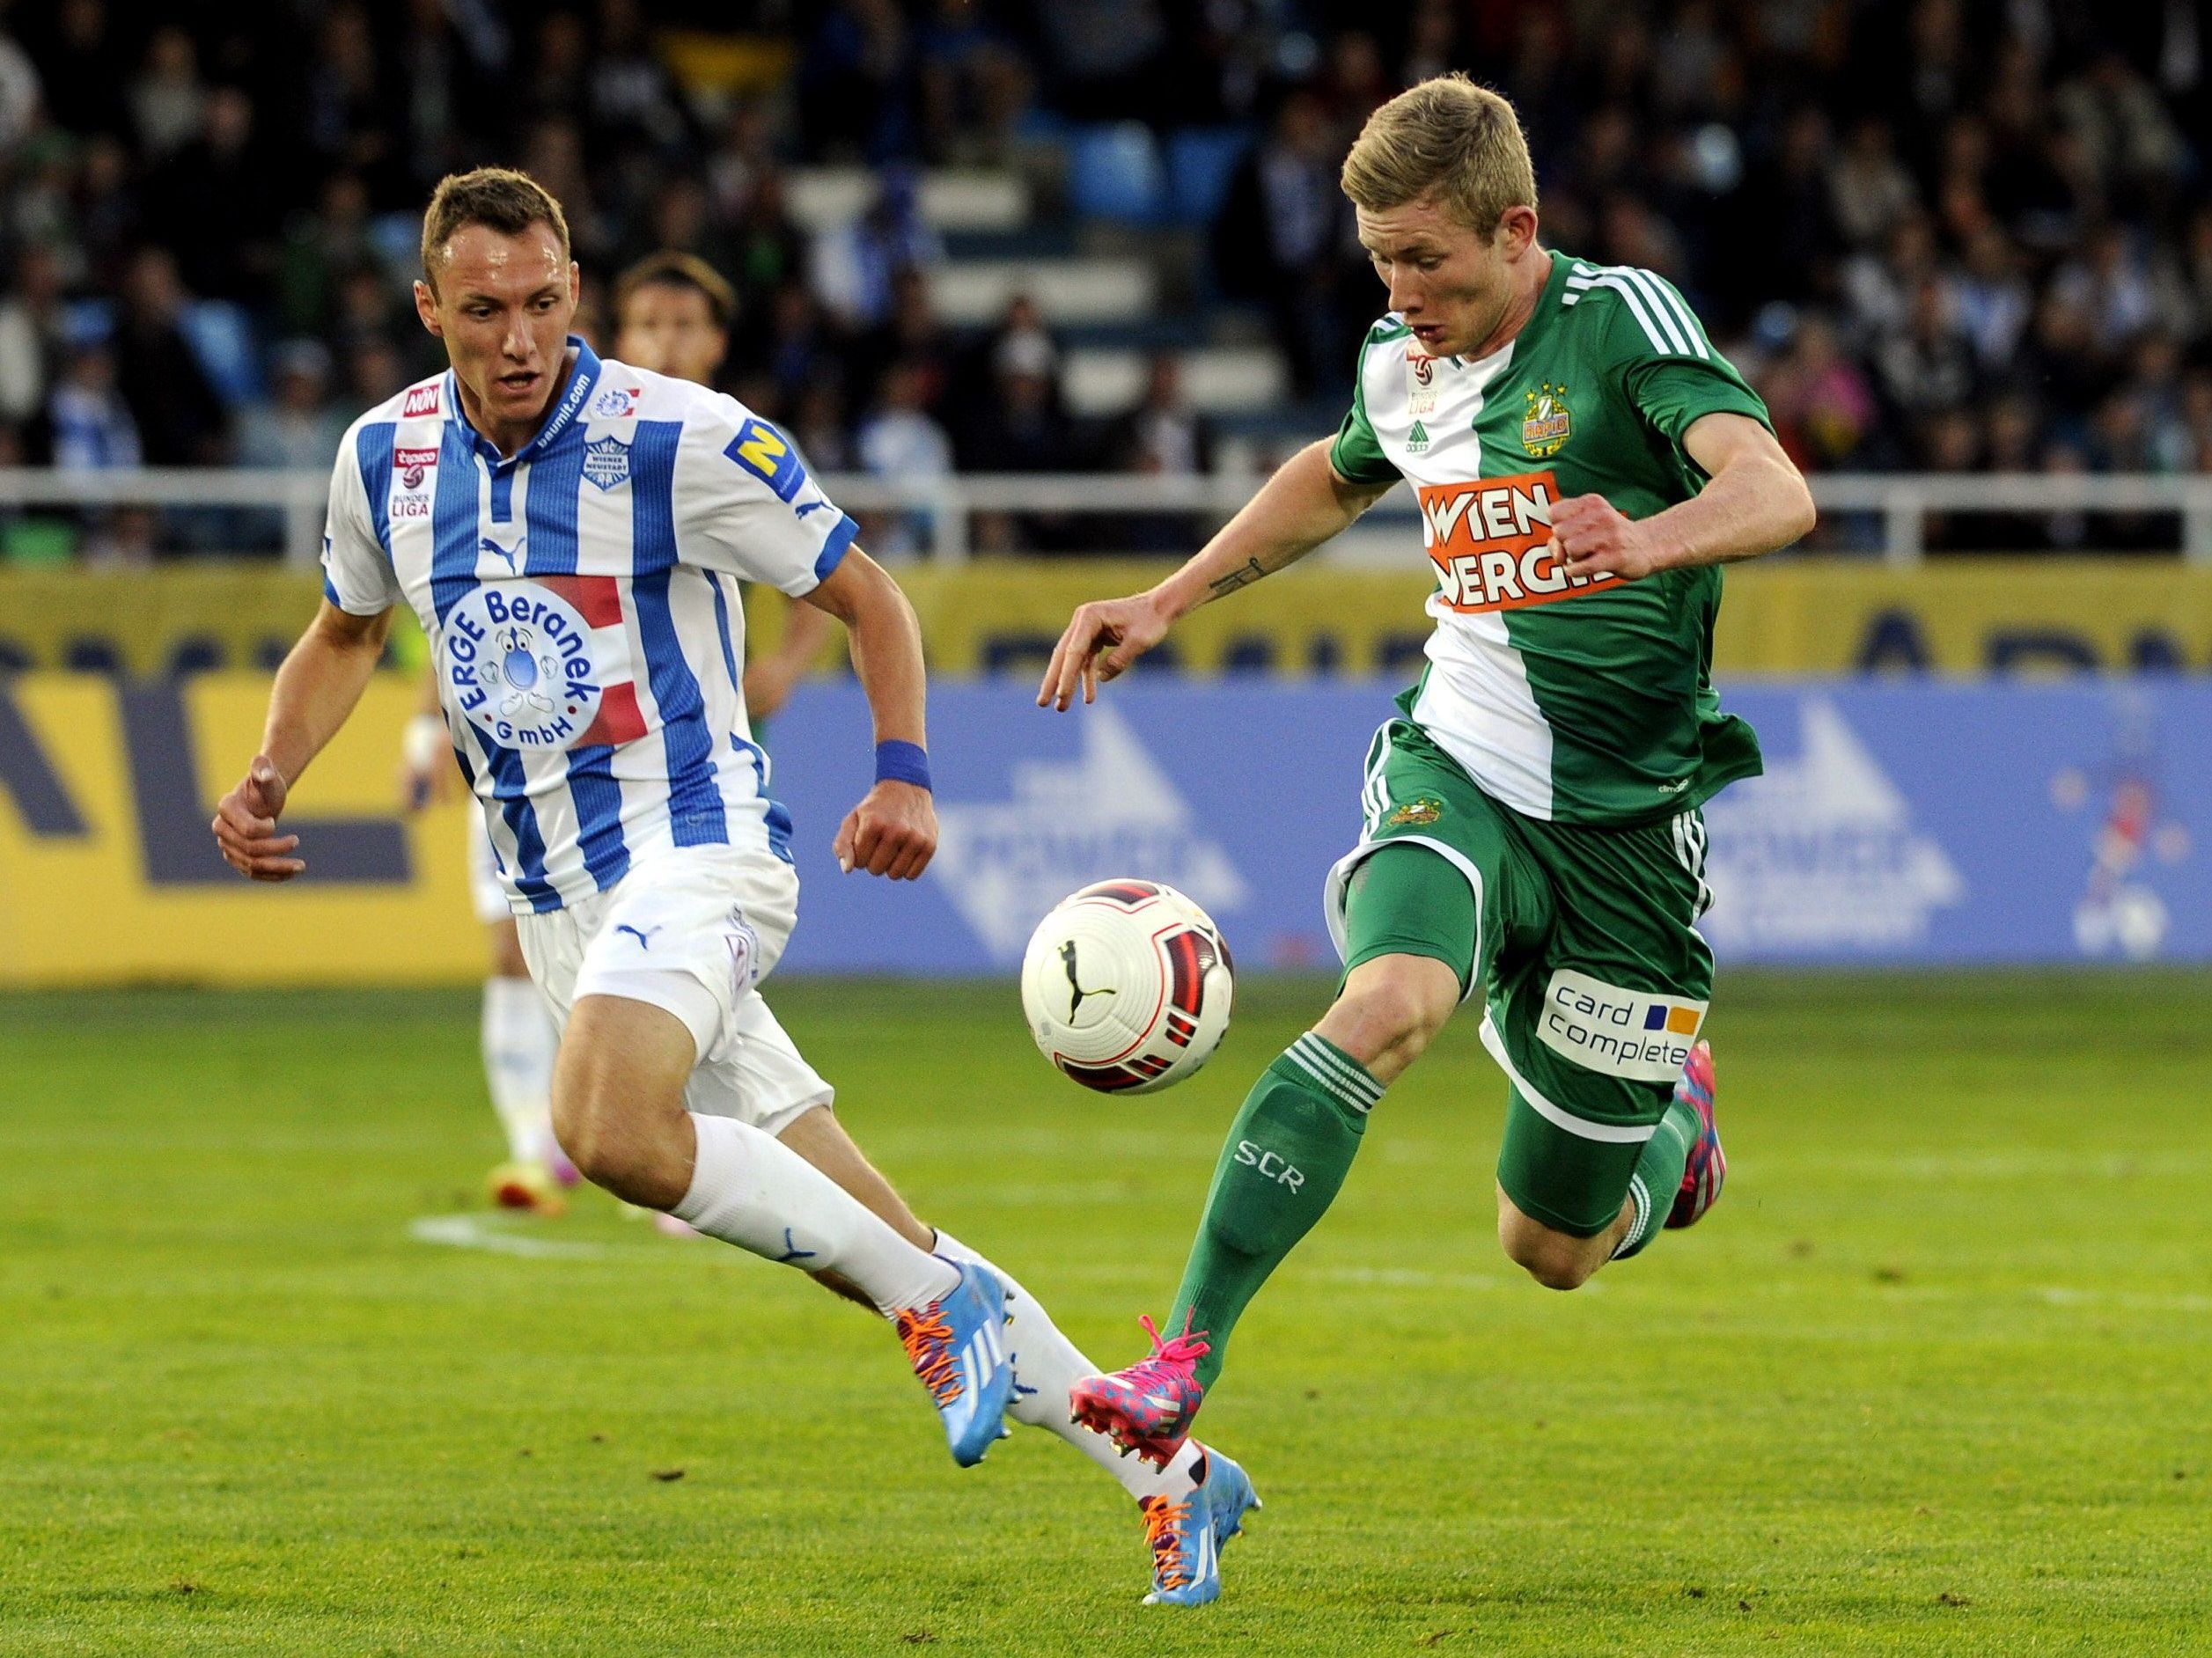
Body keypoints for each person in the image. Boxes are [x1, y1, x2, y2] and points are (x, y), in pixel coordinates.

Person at [213, 168, 1253, 1605]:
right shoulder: (382, 458)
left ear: (573, 288)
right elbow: (341, 630)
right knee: (865, 1234)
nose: (515, 338)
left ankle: (933, 1303)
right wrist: (271, 769)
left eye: (539, 303)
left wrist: (902, 771)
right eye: (480, 311)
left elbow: (864, 593)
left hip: (698, 850)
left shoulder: (679, 437)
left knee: (606, 1125)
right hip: (564, 902)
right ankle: (1171, 1474)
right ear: (426, 309)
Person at [1039, 77, 1816, 1487]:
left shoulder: (1619, 325)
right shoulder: (1401, 363)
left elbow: (1776, 490)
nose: (1401, 294)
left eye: (1426, 261)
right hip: (1455, 764)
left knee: (1552, 1249)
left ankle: (1672, 1137)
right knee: (1387, 1000)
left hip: (1629, 835)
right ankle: (1181, 1356)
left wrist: (1651, 542)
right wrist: (1166, 599)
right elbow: (1335, 478)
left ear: (1516, 231)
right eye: (1379, 261)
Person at [399, 249, 832, 1220]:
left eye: (685, 326)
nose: (664, 342)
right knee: (518, 952)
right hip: (530, 757)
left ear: (716, 342)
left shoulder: (718, 443)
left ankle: (666, 1155)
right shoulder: (536, 438)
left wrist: (788, 668)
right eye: (649, 325)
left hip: (672, 767)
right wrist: (423, 731)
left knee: (673, 976)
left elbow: (830, 580)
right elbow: (470, 609)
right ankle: (537, 1147)